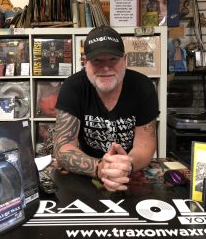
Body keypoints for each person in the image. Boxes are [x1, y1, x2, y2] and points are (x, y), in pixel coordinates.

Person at [53, 26, 159, 192]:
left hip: (131, 170)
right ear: (85, 61)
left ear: (125, 59)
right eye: (97, 60)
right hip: (88, 173)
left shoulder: (143, 87)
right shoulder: (73, 87)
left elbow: (145, 145)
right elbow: (63, 147)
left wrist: (125, 166)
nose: (106, 67)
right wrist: (100, 168)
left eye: (113, 59)